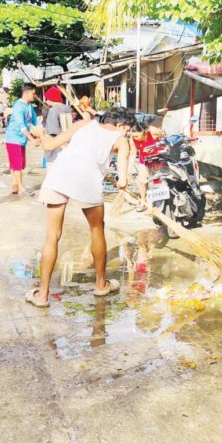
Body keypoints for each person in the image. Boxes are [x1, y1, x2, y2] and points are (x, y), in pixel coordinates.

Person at [24, 106, 133, 307]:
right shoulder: (121, 140)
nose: (128, 133)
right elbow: (123, 181)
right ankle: (101, 285)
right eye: (128, 129)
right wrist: (121, 181)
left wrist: (41, 134)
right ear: (120, 125)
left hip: (59, 175)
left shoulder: (84, 123)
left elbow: (49, 146)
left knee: (52, 235)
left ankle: (42, 296)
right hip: (87, 182)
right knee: (96, 229)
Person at [5, 83, 40, 196]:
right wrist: (32, 140)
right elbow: (22, 126)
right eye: (33, 94)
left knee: (19, 164)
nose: (34, 96)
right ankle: (21, 188)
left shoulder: (29, 106)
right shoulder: (19, 106)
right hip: (13, 138)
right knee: (17, 164)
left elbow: (34, 122)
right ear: (27, 93)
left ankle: (15, 184)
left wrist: (41, 132)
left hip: (21, 139)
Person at [128, 121, 163, 209]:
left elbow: (165, 136)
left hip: (158, 159)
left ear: (143, 131)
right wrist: (129, 169)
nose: (136, 138)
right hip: (144, 161)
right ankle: (143, 201)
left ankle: (162, 203)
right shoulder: (132, 138)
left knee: (158, 181)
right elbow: (133, 153)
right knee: (141, 181)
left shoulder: (152, 131)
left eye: (137, 135)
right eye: (134, 136)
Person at [42, 86, 73, 167]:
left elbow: (53, 131)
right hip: (68, 145)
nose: (46, 101)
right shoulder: (68, 109)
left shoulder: (53, 110)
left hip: (56, 151)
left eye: (47, 98)